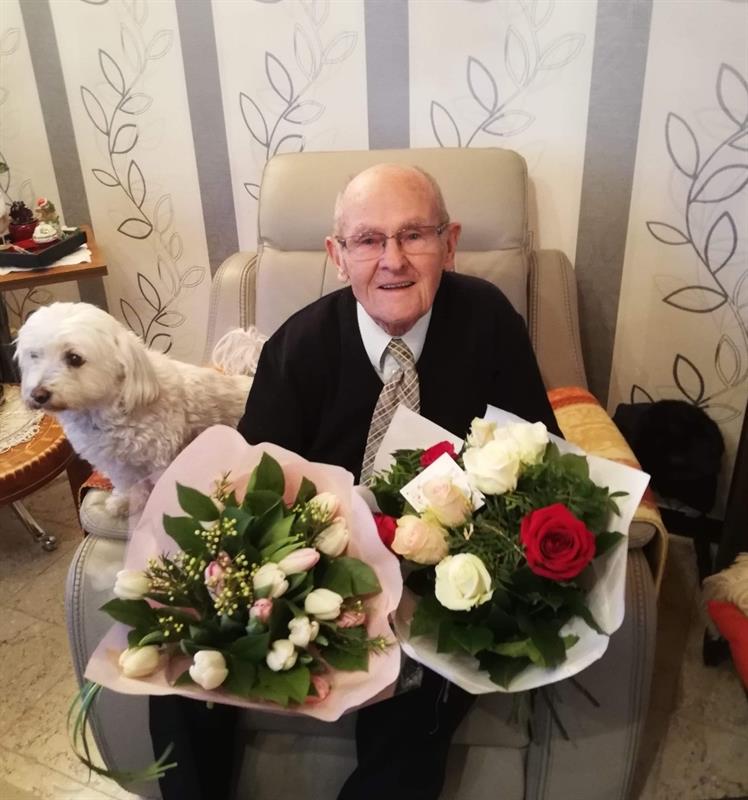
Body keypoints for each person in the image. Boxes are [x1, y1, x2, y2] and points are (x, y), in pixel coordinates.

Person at [151, 163, 560, 800]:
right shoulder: (299, 347)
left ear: (449, 243)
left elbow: (538, 457)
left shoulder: (491, 323)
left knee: (416, 703)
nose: (392, 260)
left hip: (439, 575)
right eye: (368, 240)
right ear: (337, 256)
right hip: (312, 566)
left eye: (414, 235)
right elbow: (254, 493)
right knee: (184, 657)